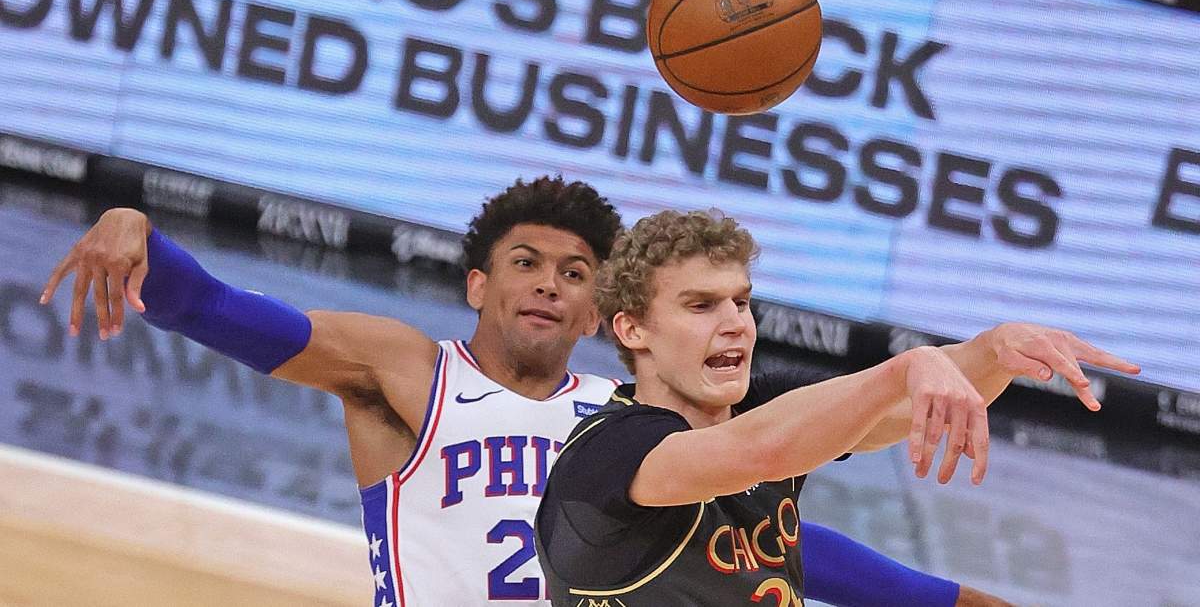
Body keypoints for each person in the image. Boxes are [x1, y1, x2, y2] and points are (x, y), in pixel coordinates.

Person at [43, 177, 1016, 606]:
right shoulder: (407, 371)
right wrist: (138, 232)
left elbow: (760, 537)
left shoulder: (630, 427)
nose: (550, 284)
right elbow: (218, 310)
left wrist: (935, 598)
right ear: (478, 284)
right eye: (526, 262)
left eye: (575, 272)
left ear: (603, 312)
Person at [535, 209, 1139, 605]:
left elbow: (894, 413)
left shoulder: (766, 405)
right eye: (701, 306)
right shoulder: (610, 451)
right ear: (632, 329)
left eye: (741, 302)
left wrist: (995, 350)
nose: (735, 323)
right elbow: (760, 452)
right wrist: (903, 369)